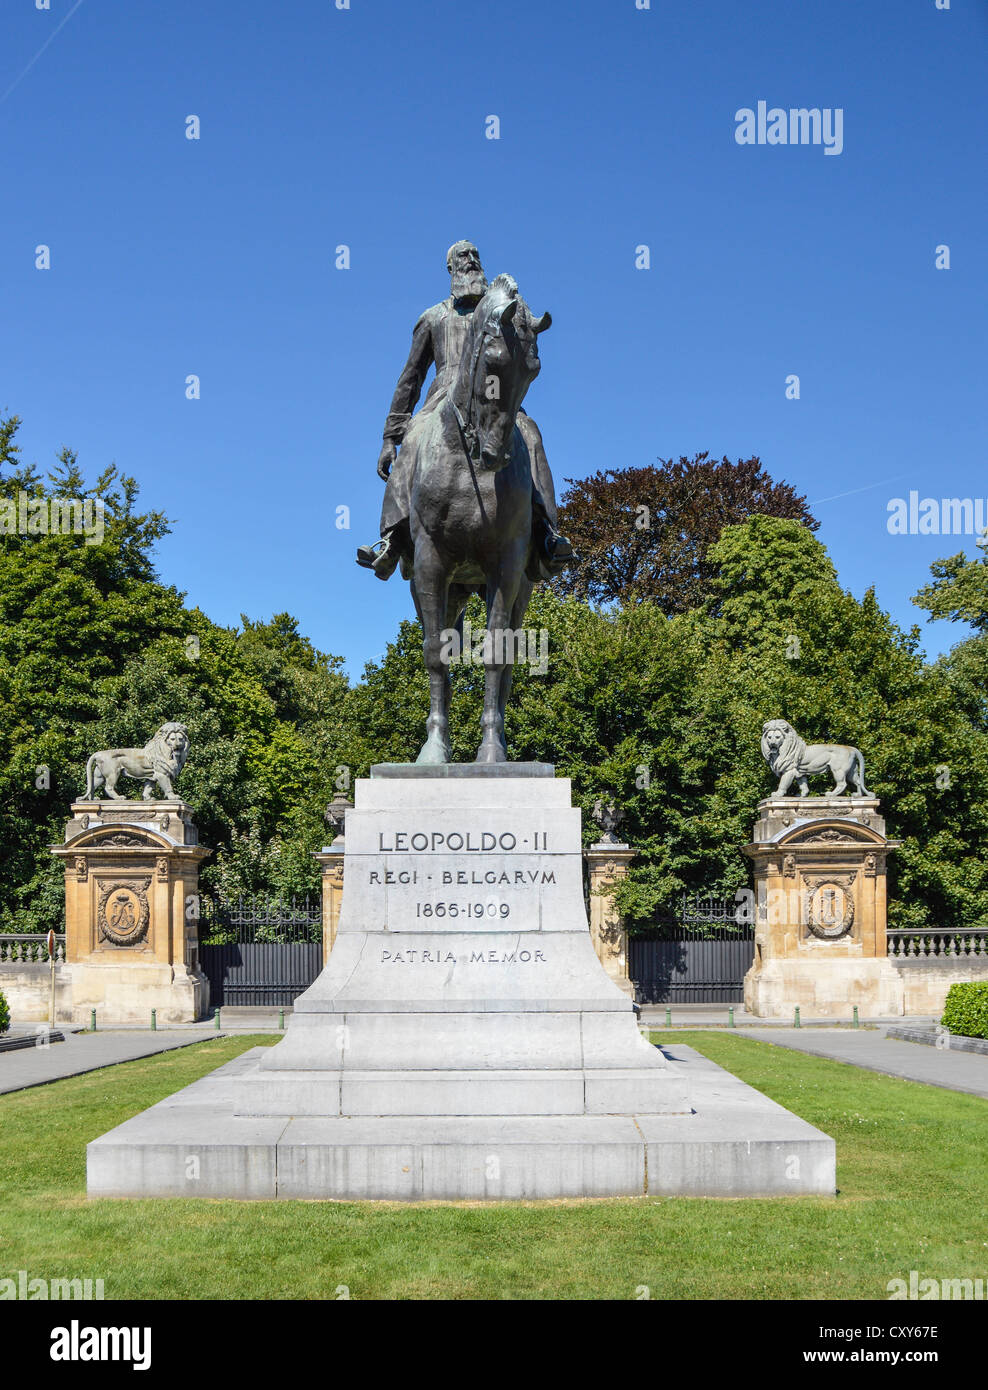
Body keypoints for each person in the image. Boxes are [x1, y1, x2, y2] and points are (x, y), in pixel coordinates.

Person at [356, 240, 573, 581]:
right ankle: (393, 536)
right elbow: (410, 377)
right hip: (443, 398)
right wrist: (390, 436)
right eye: (463, 256)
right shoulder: (433, 317)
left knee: (530, 434)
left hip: (495, 398)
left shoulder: (504, 313)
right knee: (414, 438)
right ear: (451, 268)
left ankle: (545, 531)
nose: (471, 261)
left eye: (476, 255)